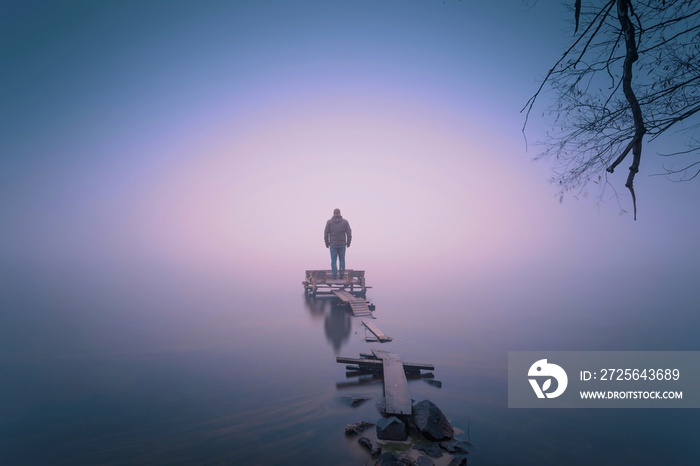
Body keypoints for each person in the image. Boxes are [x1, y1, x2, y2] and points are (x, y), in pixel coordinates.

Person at [324, 208, 352, 279]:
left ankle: (334, 276)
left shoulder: (329, 222)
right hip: (342, 244)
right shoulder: (345, 222)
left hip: (333, 244)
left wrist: (327, 243)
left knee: (333, 261)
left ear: (333, 213)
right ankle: (342, 275)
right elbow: (349, 233)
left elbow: (326, 233)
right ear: (340, 213)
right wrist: (348, 242)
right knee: (342, 259)